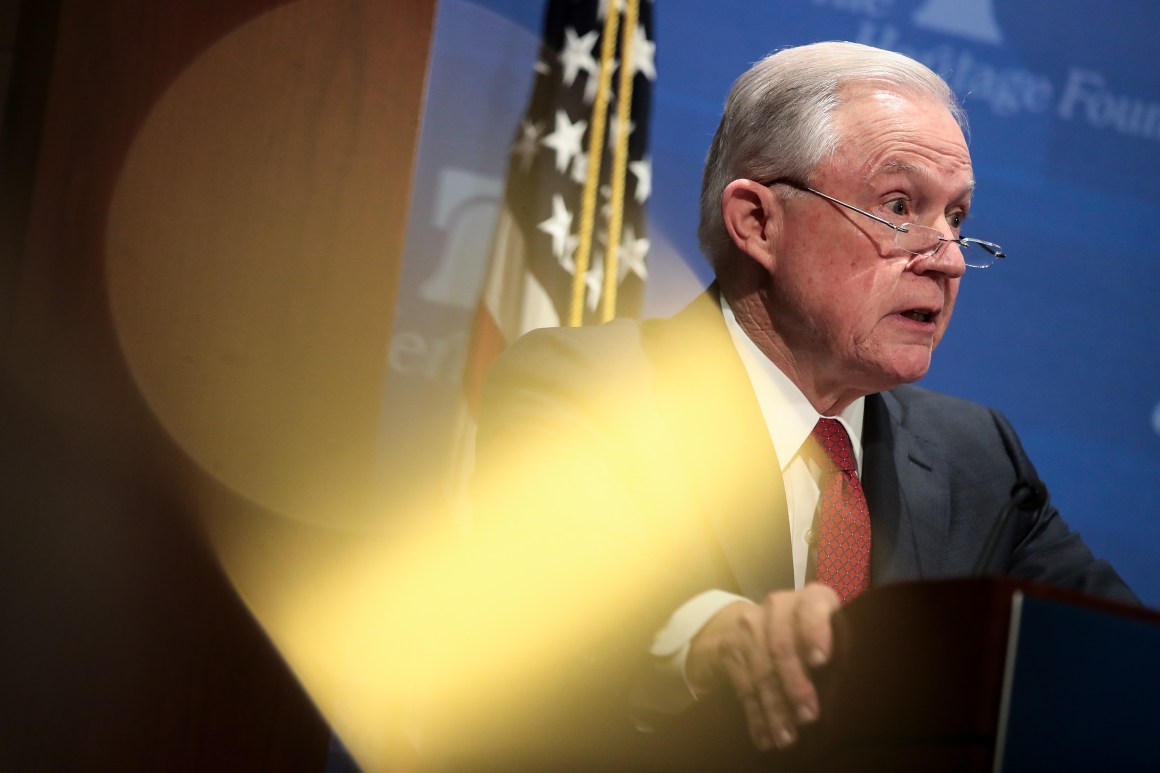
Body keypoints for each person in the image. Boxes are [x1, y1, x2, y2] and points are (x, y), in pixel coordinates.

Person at [445, 41, 1136, 772]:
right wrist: (710, 637)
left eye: (957, 217)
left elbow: (1119, 655)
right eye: (900, 207)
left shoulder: (977, 457)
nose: (949, 257)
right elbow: (564, 586)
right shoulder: (586, 390)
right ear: (757, 223)